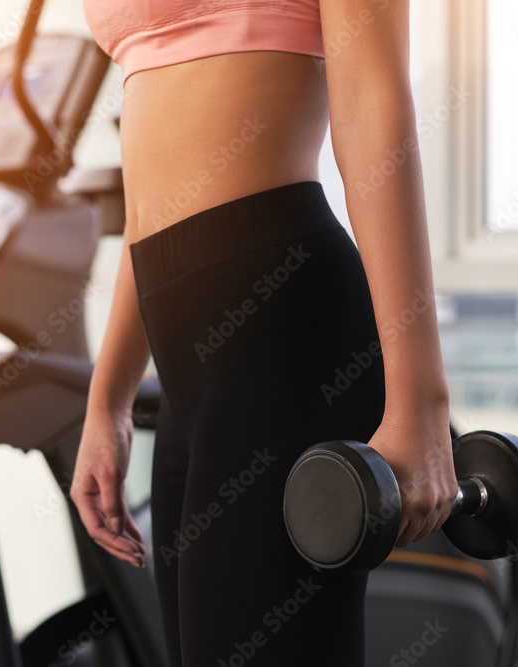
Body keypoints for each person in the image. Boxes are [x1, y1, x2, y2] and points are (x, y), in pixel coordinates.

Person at [69, 0, 458, 664]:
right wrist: (107, 400)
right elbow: (152, 204)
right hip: (187, 365)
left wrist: (421, 400)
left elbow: (373, 103)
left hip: (285, 332)